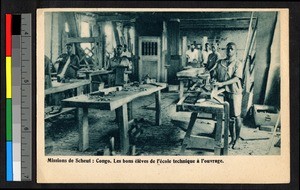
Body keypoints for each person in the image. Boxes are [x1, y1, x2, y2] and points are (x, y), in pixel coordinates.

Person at [211, 42, 243, 149]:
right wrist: (213, 79)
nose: (229, 50)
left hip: (235, 92)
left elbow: (236, 78)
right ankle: (232, 138)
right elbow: (214, 73)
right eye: (228, 49)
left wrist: (222, 84)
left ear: (235, 51)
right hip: (223, 93)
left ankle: (237, 139)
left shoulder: (238, 63)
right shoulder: (220, 62)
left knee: (237, 116)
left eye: (232, 49)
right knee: (228, 117)